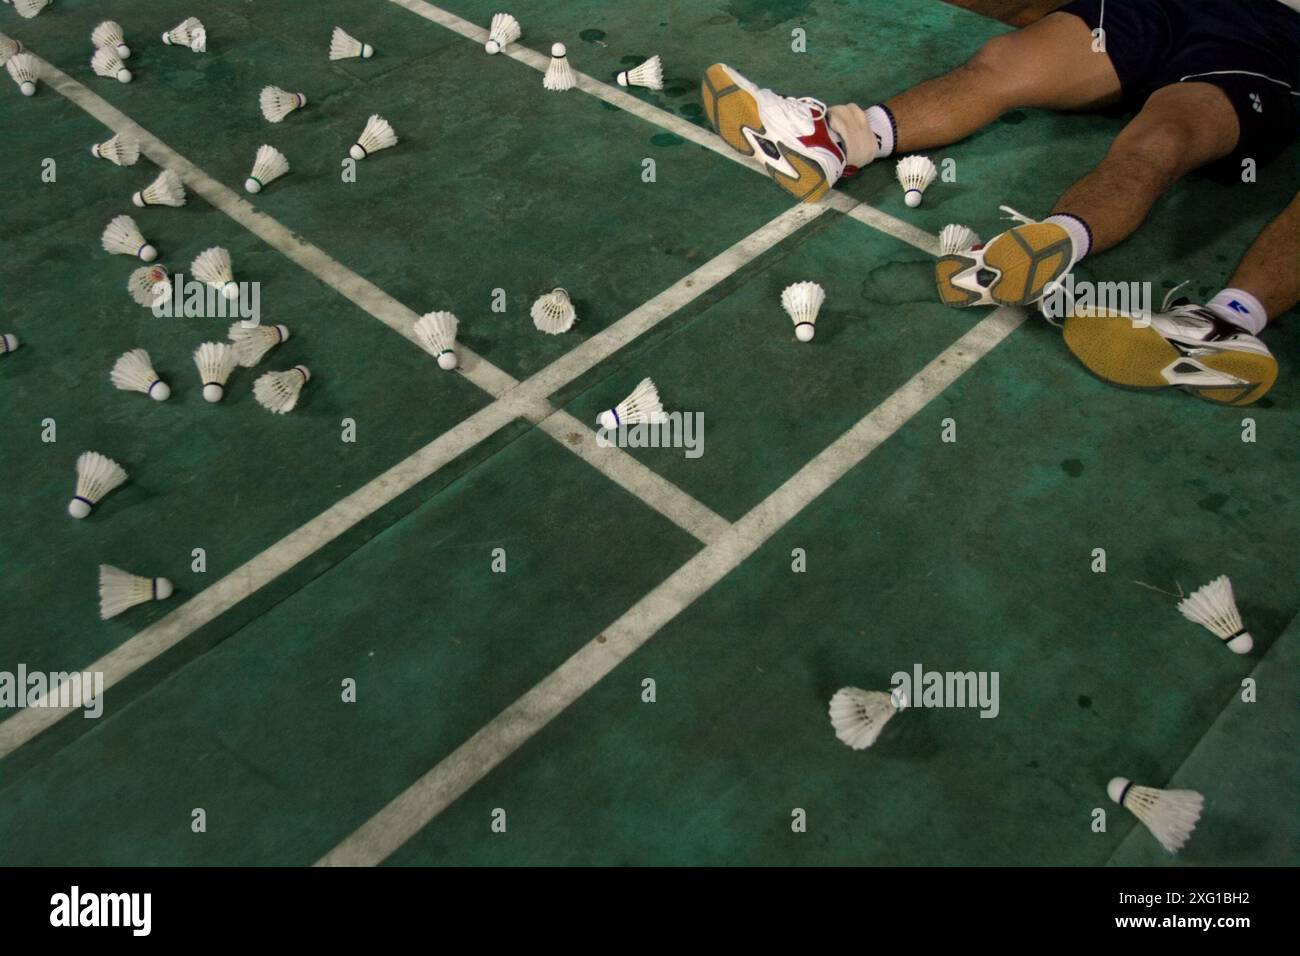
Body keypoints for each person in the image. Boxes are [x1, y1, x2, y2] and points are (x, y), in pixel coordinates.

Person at [700, 0, 1300, 404]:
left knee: (1161, 138)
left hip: (1270, 33)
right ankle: (834, 142)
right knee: (1004, 63)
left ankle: (1220, 323)